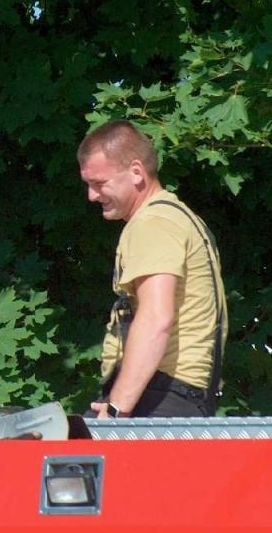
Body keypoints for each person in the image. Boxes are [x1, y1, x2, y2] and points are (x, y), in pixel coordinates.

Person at [76, 120, 227, 418]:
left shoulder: (153, 223)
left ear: (136, 172)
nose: (92, 196)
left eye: (99, 183)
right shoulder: (179, 216)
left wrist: (116, 410)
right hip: (177, 397)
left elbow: (156, 318)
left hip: (160, 399)